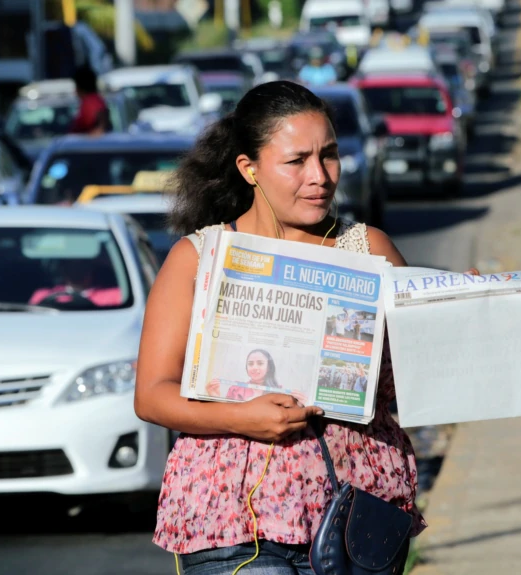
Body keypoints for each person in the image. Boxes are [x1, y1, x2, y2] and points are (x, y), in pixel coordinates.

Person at [133, 80, 479, 574]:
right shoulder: (198, 258)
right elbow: (151, 394)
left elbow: (413, 382)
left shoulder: (370, 251)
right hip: (233, 523)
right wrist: (242, 417)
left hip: (355, 519)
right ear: (248, 169)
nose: (319, 176)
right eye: (296, 161)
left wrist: (457, 313)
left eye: (330, 156)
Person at [205, 349, 307, 405]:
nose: (254, 367)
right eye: (250, 364)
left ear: (269, 367)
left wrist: (300, 406)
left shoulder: (281, 393)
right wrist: (215, 398)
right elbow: (227, 416)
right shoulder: (235, 389)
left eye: (260, 363)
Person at [69, 65, 111, 136]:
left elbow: (101, 125)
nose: (75, 91)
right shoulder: (95, 100)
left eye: (76, 86)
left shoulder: (91, 102)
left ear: (81, 87)